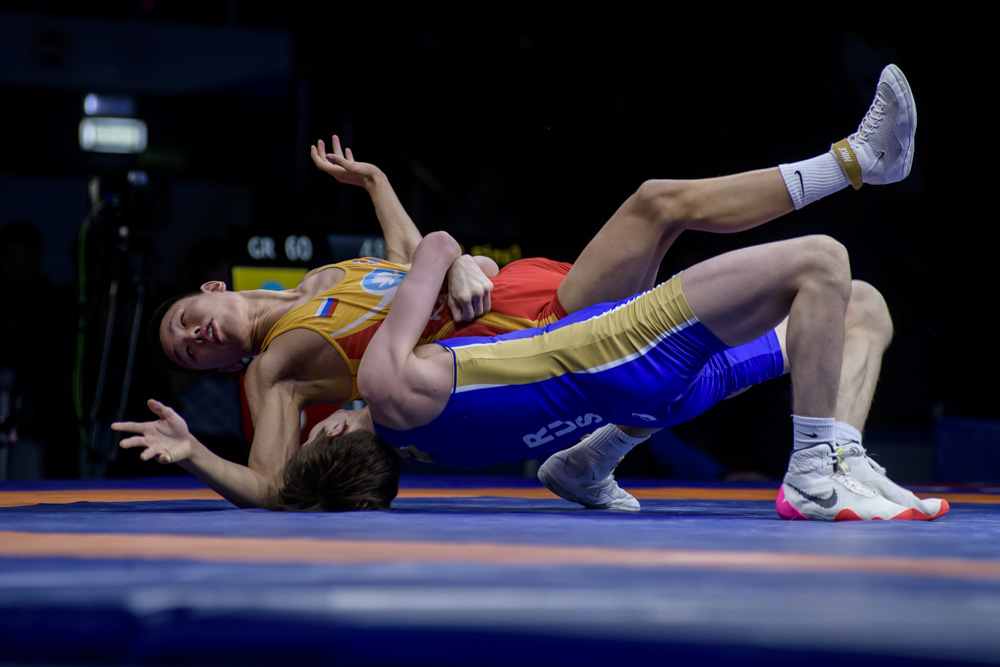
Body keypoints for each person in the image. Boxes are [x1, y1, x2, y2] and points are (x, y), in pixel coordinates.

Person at [116, 65, 940, 520]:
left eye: (186, 322)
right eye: (189, 355)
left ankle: (599, 458)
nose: (194, 339)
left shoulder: (320, 282)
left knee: (688, 237)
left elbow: (405, 260)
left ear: (210, 289)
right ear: (223, 370)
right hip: (527, 331)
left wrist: (376, 185)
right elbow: (273, 486)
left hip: (516, 300)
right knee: (658, 207)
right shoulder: (275, 375)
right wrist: (198, 455)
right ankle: (856, 163)